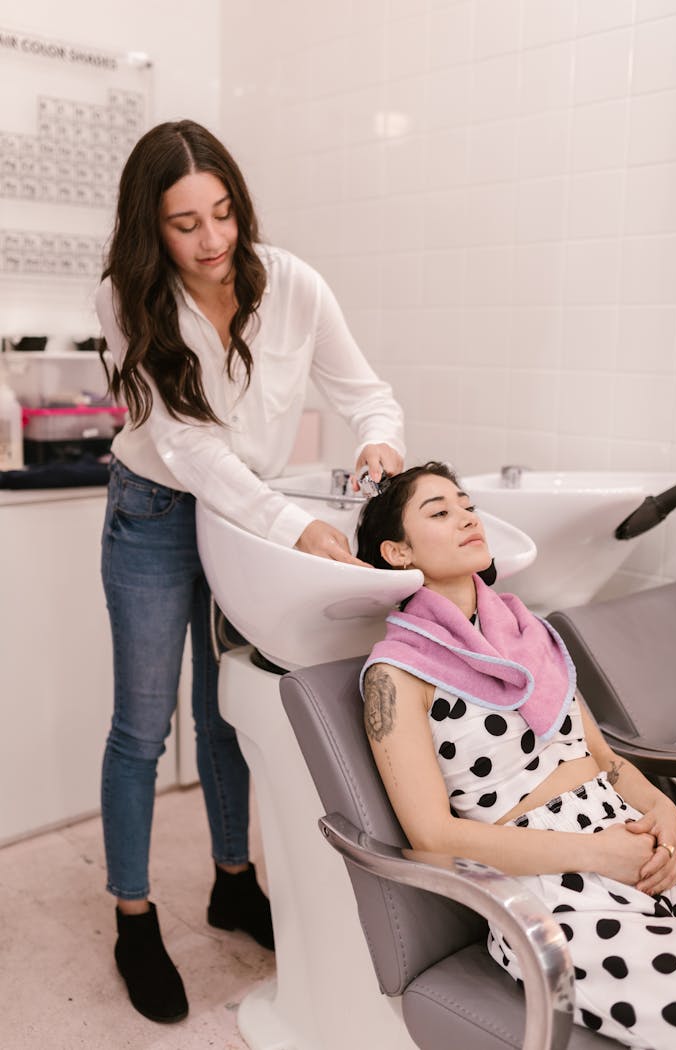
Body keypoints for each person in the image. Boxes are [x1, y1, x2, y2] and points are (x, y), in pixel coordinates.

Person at [96, 119, 404, 1024]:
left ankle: (234, 881)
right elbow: (189, 451)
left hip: (250, 521)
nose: (213, 240)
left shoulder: (293, 282)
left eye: (224, 213)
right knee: (143, 729)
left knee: (228, 710)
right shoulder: (127, 299)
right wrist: (294, 525)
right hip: (156, 512)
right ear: (151, 230)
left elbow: (364, 393)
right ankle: (133, 916)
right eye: (186, 224)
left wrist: (379, 447)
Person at [356, 462, 676, 1049]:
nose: (466, 516)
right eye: (439, 512)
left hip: (639, 843)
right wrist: (598, 855)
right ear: (396, 551)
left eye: (466, 505)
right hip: (552, 892)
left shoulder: (529, 632)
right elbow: (433, 837)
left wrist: (663, 815)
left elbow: (601, 755)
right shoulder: (396, 675)